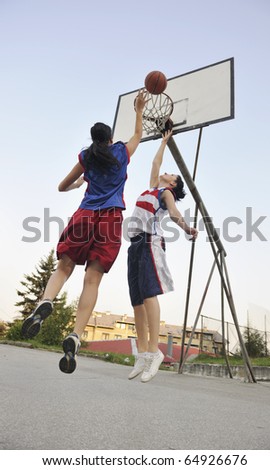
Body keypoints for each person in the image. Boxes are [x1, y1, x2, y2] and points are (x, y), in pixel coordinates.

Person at [21, 90, 147, 374]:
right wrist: (138, 109)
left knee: (64, 266)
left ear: (93, 139)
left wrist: (79, 183)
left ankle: (45, 302)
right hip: (111, 218)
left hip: (85, 214)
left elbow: (61, 186)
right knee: (92, 280)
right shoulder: (121, 152)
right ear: (111, 138)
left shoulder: (86, 157)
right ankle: (76, 335)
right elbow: (138, 134)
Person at [127, 129, 198, 383]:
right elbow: (155, 163)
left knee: (148, 294)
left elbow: (175, 213)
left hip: (149, 243)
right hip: (134, 245)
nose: (165, 172)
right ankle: (144, 352)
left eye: (171, 175)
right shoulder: (151, 188)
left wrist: (187, 228)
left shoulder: (164, 193)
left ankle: (155, 350)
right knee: (136, 300)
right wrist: (164, 141)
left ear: (173, 184)